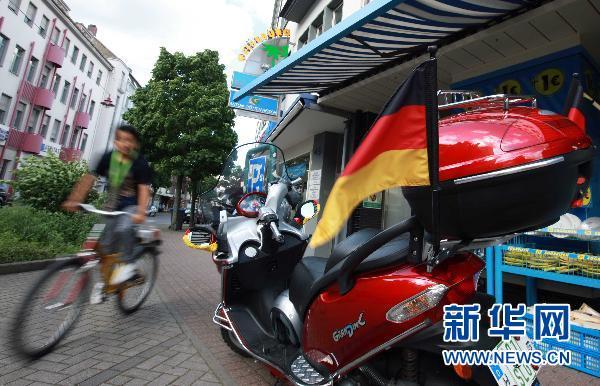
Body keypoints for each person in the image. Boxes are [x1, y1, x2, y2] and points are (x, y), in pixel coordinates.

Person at [63, 125, 152, 289]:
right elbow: (89, 178)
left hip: (131, 205)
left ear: (135, 145)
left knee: (124, 228)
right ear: (115, 141)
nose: (125, 144)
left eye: (129, 141)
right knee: (102, 242)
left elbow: (144, 188)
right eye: (121, 139)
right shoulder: (108, 158)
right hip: (111, 205)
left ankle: (130, 266)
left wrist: (141, 211)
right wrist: (74, 199)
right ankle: (105, 283)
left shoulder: (140, 162)